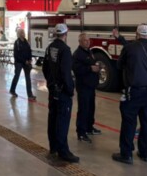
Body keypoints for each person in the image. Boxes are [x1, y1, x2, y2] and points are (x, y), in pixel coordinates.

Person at [112, 24, 147, 165]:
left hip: (134, 91)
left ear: (136, 34)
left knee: (129, 122)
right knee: (146, 123)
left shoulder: (130, 48)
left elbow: (119, 66)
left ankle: (126, 154)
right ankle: (145, 153)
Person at [42, 23, 79, 163]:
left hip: (53, 90)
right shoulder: (65, 49)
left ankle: (53, 147)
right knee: (62, 121)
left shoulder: (50, 47)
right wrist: (70, 89)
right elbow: (66, 73)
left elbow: (45, 68)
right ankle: (63, 151)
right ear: (66, 33)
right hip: (63, 92)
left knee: (53, 118)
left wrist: (51, 83)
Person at [72, 33, 101, 143]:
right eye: (85, 40)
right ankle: (81, 132)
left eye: (88, 40)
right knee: (83, 109)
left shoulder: (89, 51)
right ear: (80, 42)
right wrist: (90, 68)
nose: (87, 42)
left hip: (91, 86)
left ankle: (89, 127)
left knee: (91, 108)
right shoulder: (77, 54)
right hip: (83, 86)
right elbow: (76, 69)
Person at [9, 29, 36, 100]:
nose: (22, 34)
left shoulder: (26, 42)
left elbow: (29, 50)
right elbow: (16, 55)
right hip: (19, 63)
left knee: (28, 78)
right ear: (18, 34)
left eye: (23, 32)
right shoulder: (17, 43)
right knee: (17, 76)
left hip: (26, 62)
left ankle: (30, 95)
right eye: (21, 33)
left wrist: (30, 59)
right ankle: (12, 90)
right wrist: (24, 61)